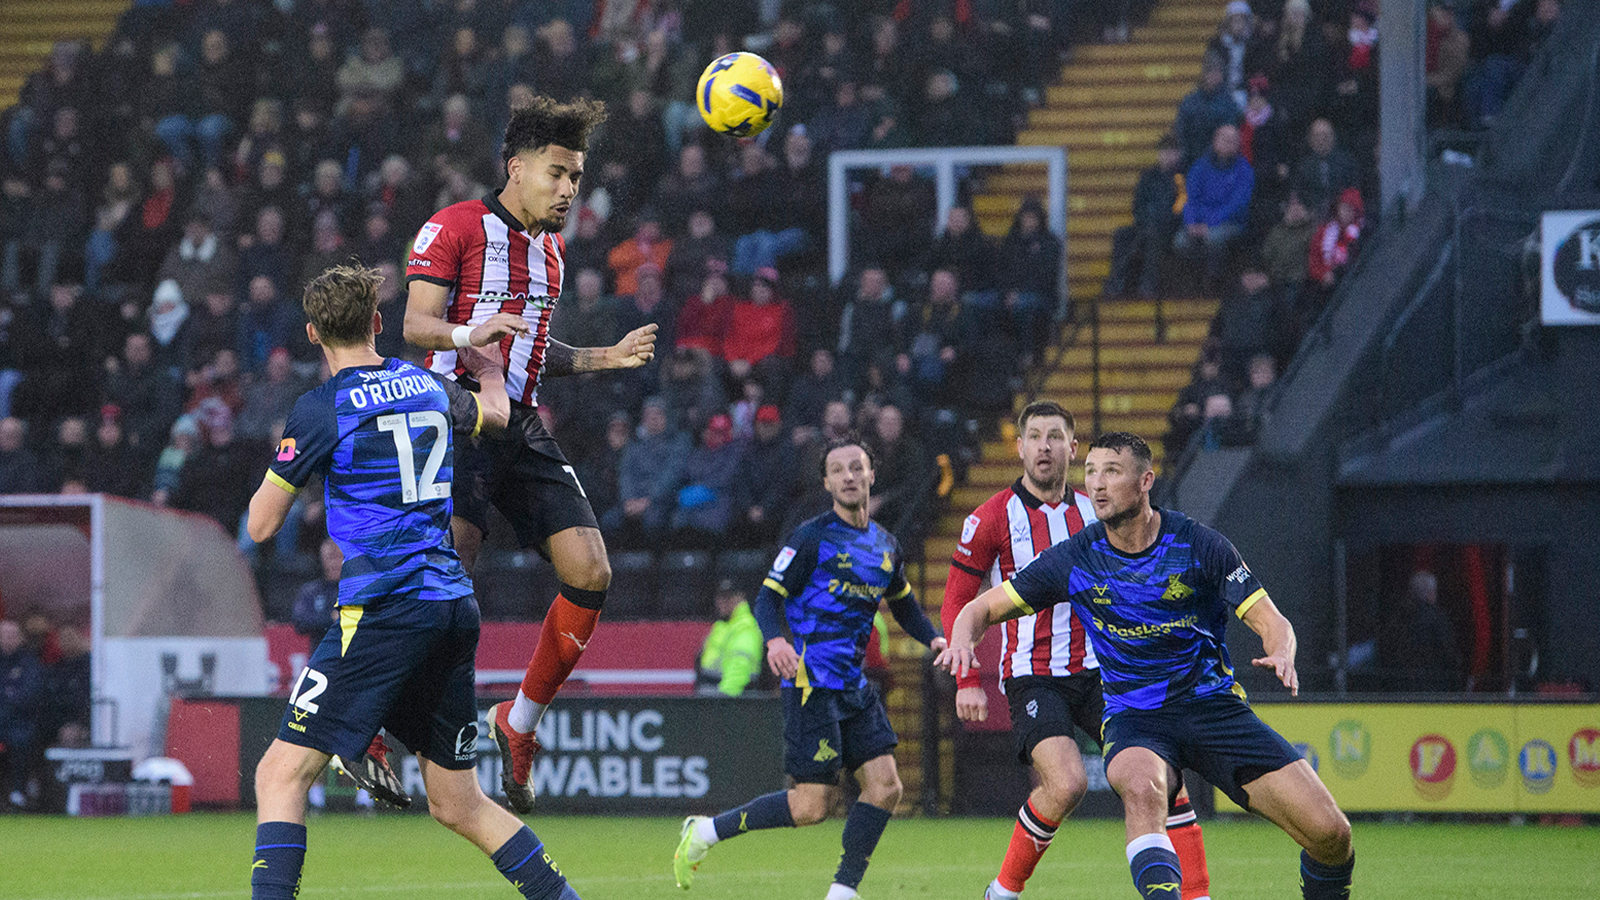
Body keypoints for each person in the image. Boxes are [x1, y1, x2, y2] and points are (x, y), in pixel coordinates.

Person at [244, 264, 582, 900]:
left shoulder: (321, 408)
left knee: (280, 774)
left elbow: (261, 527)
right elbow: (494, 416)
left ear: (315, 333)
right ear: (377, 322)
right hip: (452, 603)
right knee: (459, 803)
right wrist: (484, 371)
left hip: (384, 606)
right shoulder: (424, 385)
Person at [941, 433, 1354, 900]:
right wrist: (962, 642)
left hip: (1214, 711)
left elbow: (1271, 620)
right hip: (1136, 718)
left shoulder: (1199, 544)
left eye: (1111, 471)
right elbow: (981, 609)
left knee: (1331, 836)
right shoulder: (1076, 557)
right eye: (1091, 472)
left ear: (1145, 482)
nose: (1096, 484)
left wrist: (1281, 650)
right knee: (1141, 788)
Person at [402, 96, 658, 814]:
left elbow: (534, 358)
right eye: (558, 173)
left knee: (591, 571)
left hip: (517, 423)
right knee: (446, 589)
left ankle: (518, 723)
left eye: (576, 176)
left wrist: (605, 358)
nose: (570, 189)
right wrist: (468, 333)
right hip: (450, 417)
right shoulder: (455, 227)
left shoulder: (551, 250)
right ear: (516, 168)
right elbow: (416, 323)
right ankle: (382, 723)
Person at [942, 402, 1213, 900]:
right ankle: (1002, 891)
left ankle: (1197, 895)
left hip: (1105, 674)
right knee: (1066, 784)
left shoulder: (1100, 508)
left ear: (1072, 447)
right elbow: (960, 599)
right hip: (1033, 673)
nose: (1044, 446)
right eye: (1035, 437)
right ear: (1019, 447)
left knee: (1162, 778)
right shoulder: (992, 516)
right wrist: (966, 677)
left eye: (1055, 437)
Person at [673, 439, 948, 900]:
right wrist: (776, 639)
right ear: (826, 483)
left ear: (870, 475)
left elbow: (904, 606)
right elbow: (767, 598)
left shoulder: (886, 546)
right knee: (810, 806)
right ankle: (705, 832)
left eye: (856, 467)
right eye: (838, 470)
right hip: (809, 683)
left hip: (853, 684)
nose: (848, 476)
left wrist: (935, 638)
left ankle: (843, 890)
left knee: (885, 787)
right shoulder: (811, 538)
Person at [694, 580, 764, 697]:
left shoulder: (745, 627)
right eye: (720, 597)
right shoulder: (722, 625)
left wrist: (723, 703)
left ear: (741, 598)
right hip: (709, 699)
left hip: (730, 703)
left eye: (728, 597)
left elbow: (739, 668)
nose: (722, 602)